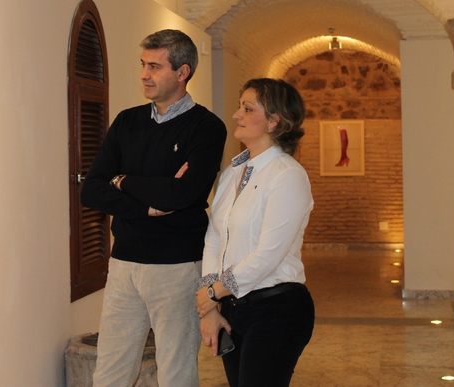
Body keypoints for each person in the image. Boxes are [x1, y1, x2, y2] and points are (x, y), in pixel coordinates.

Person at [81, 29, 227, 387]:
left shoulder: (206, 128)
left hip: (177, 266)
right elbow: (91, 190)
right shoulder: (127, 121)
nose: (144, 74)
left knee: (175, 372)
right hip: (124, 262)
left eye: (155, 66)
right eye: (143, 65)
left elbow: (181, 196)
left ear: (183, 72)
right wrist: (147, 207)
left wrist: (123, 180)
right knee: (110, 372)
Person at [195, 78, 315, 387]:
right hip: (234, 308)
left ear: (275, 121)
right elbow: (214, 240)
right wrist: (211, 305)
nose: (237, 115)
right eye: (239, 107)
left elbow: (268, 254)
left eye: (248, 109)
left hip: (278, 308)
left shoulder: (288, 175)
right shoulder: (232, 173)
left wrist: (212, 292)